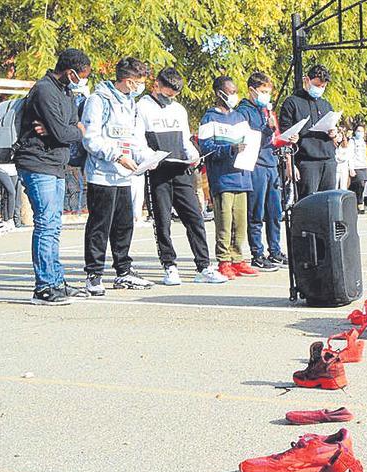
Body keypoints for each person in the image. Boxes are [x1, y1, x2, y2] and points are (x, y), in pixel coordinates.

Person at [17, 48, 92, 304]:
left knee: (54, 226)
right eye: (81, 76)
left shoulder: (67, 92)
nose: (82, 81)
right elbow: (66, 132)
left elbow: (72, 127)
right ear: (70, 72)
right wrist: (68, 130)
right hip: (37, 163)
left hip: (56, 164)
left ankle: (56, 279)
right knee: (46, 225)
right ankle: (44, 287)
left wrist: (64, 129)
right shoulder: (44, 89)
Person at [139, 67, 227, 286]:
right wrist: (150, 157)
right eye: (167, 95)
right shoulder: (142, 107)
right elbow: (138, 140)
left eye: (173, 96)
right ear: (156, 85)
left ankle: (204, 266)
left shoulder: (178, 110)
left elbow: (185, 140)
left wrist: (194, 155)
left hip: (181, 170)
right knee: (162, 220)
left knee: (194, 218)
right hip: (158, 172)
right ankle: (169, 266)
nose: (170, 100)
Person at [81, 56, 154, 296]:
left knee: (124, 225)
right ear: (128, 80)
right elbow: (91, 139)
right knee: (100, 226)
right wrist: (116, 156)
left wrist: (147, 157)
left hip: (124, 175)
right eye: (138, 82)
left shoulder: (130, 102)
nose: (140, 87)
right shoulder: (98, 100)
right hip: (102, 174)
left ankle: (123, 271)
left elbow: (132, 138)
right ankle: (93, 274)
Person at [198, 75, 257, 281]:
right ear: (219, 93)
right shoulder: (209, 118)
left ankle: (238, 258)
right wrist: (229, 149)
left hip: (242, 175)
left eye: (235, 91)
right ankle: (224, 260)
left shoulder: (239, 117)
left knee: (240, 221)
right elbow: (205, 148)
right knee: (225, 220)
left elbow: (250, 140)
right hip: (222, 178)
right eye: (230, 92)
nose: (234, 95)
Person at [234, 71, 286, 271]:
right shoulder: (244, 111)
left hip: (271, 162)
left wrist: (284, 138)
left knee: (275, 211)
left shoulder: (267, 110)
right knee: (256, 211)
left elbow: (274, 138)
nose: (266, 95)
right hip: (255, 165)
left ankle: (275, 250)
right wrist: (267, 130)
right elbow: (251, 140)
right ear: (252, 91)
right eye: (263, 91)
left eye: (268, 91)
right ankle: (257, 252)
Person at [278, 64, 335, 198]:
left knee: (329, 202)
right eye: (317, 85)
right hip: (306, 161)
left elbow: (333, 130)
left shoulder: (326, 105)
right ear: (307, 80)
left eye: (323, 87)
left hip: (328, 159)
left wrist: (334, 134)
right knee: (308, 203)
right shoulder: (292, 102)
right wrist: (289, 164)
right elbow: (285, 136)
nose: (320, 89)